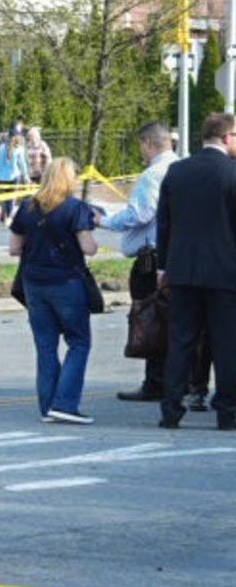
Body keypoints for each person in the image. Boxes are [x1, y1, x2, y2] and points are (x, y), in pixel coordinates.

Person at [103, 121, 205, 408]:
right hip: (180, 256)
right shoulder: (184, 169)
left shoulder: (152, 175)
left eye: (141, 146)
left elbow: (140, 214)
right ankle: (184, 381)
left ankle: (156, 381)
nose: (141, 152)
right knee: (181, 322)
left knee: (151, 319)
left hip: (151, 259)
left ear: (149, 143)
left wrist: (104, 221)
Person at [155, 109, 236, 431]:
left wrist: (164, 266)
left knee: (182, 341)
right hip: (226, 273)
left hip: (184, 271)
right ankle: (227, 411)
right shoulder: (231, 173)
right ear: (228, 137)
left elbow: (165, 222)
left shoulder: (177, 172)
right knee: (226, 343)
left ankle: (171, 409)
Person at [11, 157, 101, 424]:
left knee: (46, 347)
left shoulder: (27, 207)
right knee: (78, 342)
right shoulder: (76, 208)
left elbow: (14, 248)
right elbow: (89, 248)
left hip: (34, 284)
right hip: (66, 282)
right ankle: (65, 404)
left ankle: (48, 406)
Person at [0, 123, 24, 227]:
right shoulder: (18, 147)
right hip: (13, 175)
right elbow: (22, 164)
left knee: (4, 197)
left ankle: (4, 215)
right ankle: (8, 217)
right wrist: (25, 175)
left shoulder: (1, 146)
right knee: (11, 197)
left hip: (1, 175)